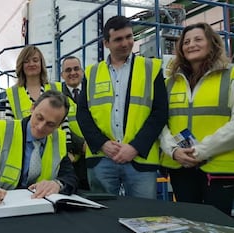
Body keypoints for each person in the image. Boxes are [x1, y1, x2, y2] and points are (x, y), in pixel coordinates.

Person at [76, 15, 168, 199]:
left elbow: (160, 112)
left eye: (129, 37)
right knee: (103, 217)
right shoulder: (92, 73)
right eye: (118, 39)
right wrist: (102, 144)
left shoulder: (151, 68)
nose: (126, 43)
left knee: (143, 217)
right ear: (106, 43)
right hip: (102, 158)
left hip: (140, 158)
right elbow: (83, 113)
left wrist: (135, 147)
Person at [159, 22, 234, 215]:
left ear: (212, 43)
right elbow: (160, 123)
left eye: (198, 39)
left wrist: (200, 151)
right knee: (187, 221)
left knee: (217, 224)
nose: (191, 44)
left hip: (218, 168)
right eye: (186, 42)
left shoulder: (230, 76)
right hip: (180, 166)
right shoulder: (170, 82)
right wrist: (174, 151)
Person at [0, 90, 78, 204]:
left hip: (40, 207)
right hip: (2, 204)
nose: (40, 127)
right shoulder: (2, 131)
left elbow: (70, 178)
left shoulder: (59, 140)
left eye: (50, 124)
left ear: (59, 125)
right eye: (39, 118)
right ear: (32, 108)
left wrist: (57, 184)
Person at [3, 45, 73, 152]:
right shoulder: (12, 94)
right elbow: (10, 127)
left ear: (41, 63)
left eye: (35, 60)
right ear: (21, 65)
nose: (31, 64)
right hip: (24, 151)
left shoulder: (56, 88)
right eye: (26, 61)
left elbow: (64, 124)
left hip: (54, 151)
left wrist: (68, 149)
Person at [61, 56, 89, 190]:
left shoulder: (92, 91)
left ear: (82, 71)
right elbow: (56, 125)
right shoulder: (57, 95)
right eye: (68, 70)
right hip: (70, 158)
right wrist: (80, 144)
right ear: (62, 75)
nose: (73, 73)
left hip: (94, 155)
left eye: (76, 69)